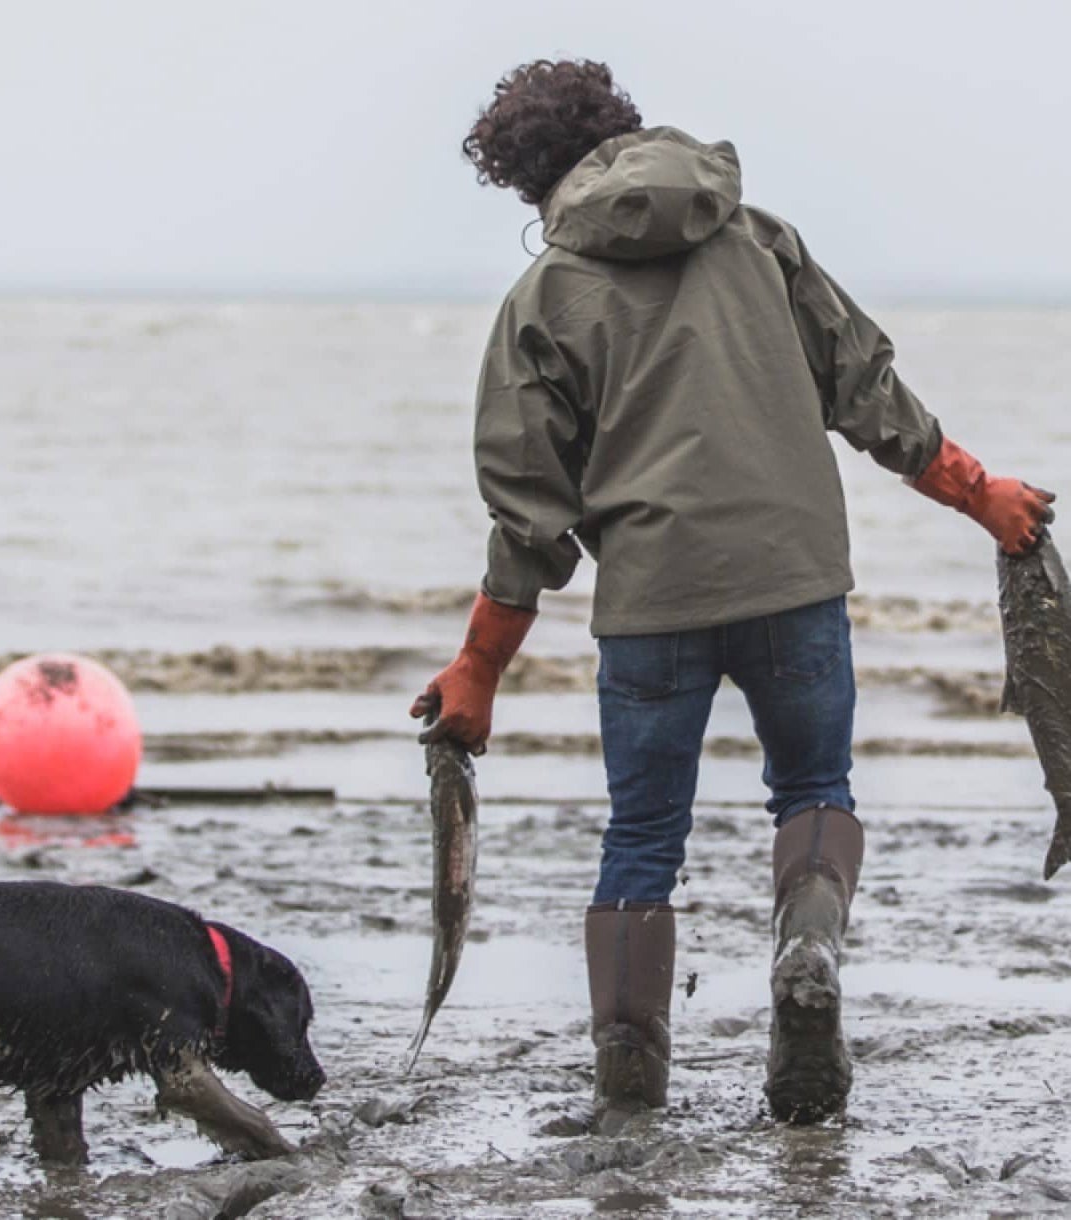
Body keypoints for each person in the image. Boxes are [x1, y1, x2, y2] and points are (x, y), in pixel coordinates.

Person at [410, 59, 1055, 1127]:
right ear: (620, 128)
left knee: (641, 836)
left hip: (652, 605)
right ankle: (805, 947)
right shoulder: (754, 235)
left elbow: (528, 512)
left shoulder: (544, 295)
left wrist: (477, 668)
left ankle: (627, 1092)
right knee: (812, 788)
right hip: (793, 578)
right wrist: (978, 493)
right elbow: (864, 389)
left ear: (533, 187)